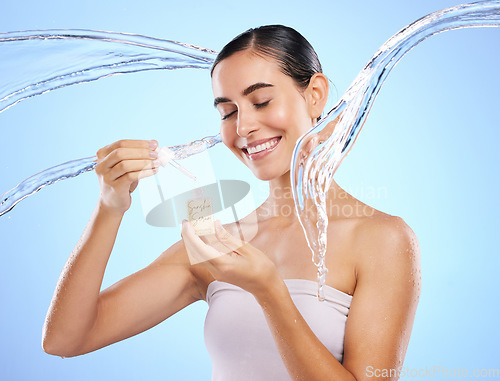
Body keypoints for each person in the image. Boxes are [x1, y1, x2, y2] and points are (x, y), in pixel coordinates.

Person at [42, 25, 420, 380]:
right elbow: (66, 339)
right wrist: (110, 207)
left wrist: (270, 292)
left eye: (261, 100)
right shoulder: (215, 245)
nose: (243, 127)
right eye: (228, 112)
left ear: (315, 95)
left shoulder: (381, 240)